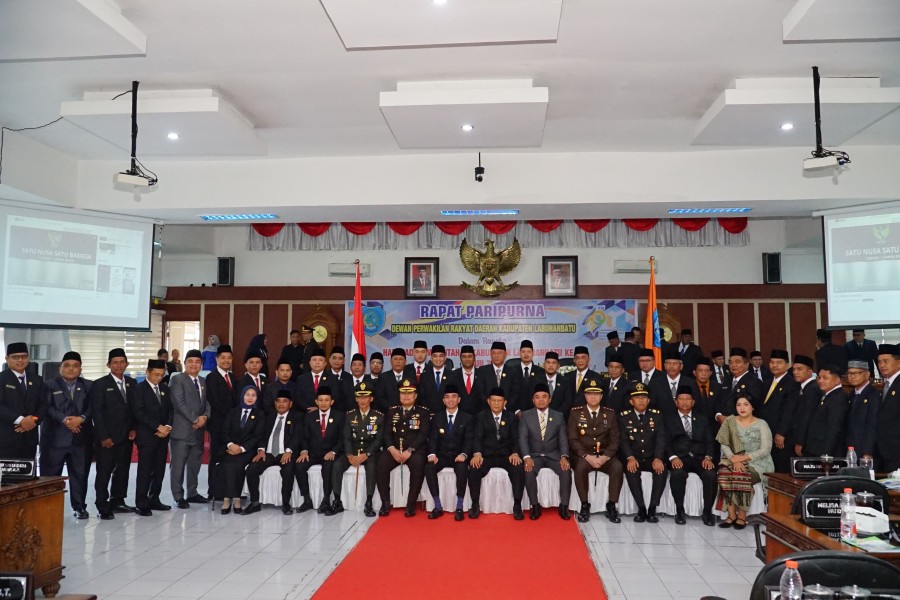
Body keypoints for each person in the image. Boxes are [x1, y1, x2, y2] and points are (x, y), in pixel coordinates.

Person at [40, 351, 92, 519]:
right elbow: (46, 408)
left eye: (75, 366)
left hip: (80, 439)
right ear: (60, 367)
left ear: (80, 368)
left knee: (79, 475)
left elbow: (93, 408)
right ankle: (48, 507)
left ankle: (79, 507)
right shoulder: (48, 385)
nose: (71, 369)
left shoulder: (88, 386)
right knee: (50, 476)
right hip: (54, 439)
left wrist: (81, 419)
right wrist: (65, 420)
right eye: (67, 365)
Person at [568, 380, 624, 523]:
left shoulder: (609, 414)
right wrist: (587, 456)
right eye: (590, 394)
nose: (593, 397)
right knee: (580, 468)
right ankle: (585, 505)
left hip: (604, 455)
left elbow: (615, 440)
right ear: (585, 396)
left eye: (596, 394)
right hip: (584, 455)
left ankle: (612, 505)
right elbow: (573, 439)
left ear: (601, 396)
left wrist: (605, 457)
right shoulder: (575, 413)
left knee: (617, 467)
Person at [91, 348, 137, 519]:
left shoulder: (132, 383)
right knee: (104, 472)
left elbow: (135, 410)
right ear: (108, 364)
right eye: (115, 362)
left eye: (122, 362)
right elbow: (97, 413)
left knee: (123, 470)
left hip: (126, 436)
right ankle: (102, 505)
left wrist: (134, 428)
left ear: (127, 364)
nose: (119, 365)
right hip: (107, 438)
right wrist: (104, 437)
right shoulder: (100, 384)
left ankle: (118, 500)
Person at [716, 395, 773, 530]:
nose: (741, 408)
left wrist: (742, 458)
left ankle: (742, 515)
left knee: (741, 475)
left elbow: (765, 450)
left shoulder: (761, 424)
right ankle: (731, 516)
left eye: (746, 404)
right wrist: (732, 458)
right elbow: (723, 444)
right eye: (738, 405)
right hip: (732, 459)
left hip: (757, 461)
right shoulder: (729, 422)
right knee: (724, 474)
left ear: (753, 407)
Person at [468, 387, 525, 520]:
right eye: (493, 400)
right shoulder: (481, 416)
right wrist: (477, 453)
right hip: (486, 456)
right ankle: (475, 504)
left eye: (499, 401)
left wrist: (515, 453)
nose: (496, 403)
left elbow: (516, 439)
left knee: (517, 467)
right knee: (474, 468)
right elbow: (476, 438)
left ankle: (517, 504)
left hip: (506, 456)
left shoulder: (512, 417)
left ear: (505, 402)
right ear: (488, 401)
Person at [376, 379, 431, 517]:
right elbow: (386, 433)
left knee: (419, 465)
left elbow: (423, 434)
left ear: (415, 396)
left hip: (414, 450)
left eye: (409, 393)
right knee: (381, 463)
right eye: (403, 393)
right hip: (394, 450)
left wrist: (410, 450)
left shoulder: (423, 412)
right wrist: (391, 449)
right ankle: (385, 502)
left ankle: (411, 504)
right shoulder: (392, 411)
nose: (406, 396)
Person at [244, 389, 302, 516]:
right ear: (275, 403)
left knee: (288, 470)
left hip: (285, 453)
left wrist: (289, 451)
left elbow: (297, 436)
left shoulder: (296, 417)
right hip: (268, 453)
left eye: (284, 402)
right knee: (251, 469)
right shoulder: (269, 416)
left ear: (290, 404)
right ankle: (254, 502)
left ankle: (286, 503)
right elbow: (260, 435)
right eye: (278, 402)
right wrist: (261, 450)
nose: (281, 404)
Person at [330, 382, 384, 517]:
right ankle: (337, 501)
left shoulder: (379, 416)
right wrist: (349, 455)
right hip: (352, 451)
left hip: (370, 452)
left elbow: (379, 440)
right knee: (337, 465)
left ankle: (369, 502)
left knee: (372, 466)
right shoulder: (349, 415)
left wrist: (367, 454)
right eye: (360, 397)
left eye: (366, 397)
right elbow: (346, 437)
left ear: (371, 399)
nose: (363, 400)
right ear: (356, 398)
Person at [666, 385, 717, 526]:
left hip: (700, 458)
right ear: (676, 402)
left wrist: (708, 457)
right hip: (679, 457)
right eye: (681, 399)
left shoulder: (702, 418)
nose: (684, 402)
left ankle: (707, 511)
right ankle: (680, 509)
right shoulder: (668, 419)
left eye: (688, 399)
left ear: (693, 402)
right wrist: (672, 457)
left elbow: (709, 441)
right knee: (677, 475)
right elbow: (665, 442)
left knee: (710, 475)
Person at [520, 382, 571, 520]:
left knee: (566, 470)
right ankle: (535, 506)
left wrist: (564, 456)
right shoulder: (525, 416)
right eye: (537, 397)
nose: (541, 400)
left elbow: (563, 439)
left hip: (553, 455)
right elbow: (523, 439)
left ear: (549, 399)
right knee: (528, 470)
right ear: (533, 400)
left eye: (544, 397)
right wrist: (526, 457)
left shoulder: (558, 416)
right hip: (534, 456)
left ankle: (564, 506)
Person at [618, 385, 667, 523]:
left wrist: (658, 457)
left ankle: (652, 508)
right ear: (631, 401)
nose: (641, 401)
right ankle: (641, 507)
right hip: (634, 456)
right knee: (631, 471)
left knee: (661, 471)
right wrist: (630, 457)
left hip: (652, 456)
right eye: (637, 397)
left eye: (644, 397)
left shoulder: (656, 415)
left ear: (648, 400)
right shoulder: (624, 417)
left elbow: (661, 438)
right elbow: (623, 440)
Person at [131, 359, 173, 516]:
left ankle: (154, 498)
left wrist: (167, 427)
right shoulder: (139, 389)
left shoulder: (164, 388)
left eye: (161, 375)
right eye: (155, 374)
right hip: (147, 436)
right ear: (147, 372)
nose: (159, 378)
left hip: (163, 436)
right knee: (145, 470)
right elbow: (139, 412)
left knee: (159, 470)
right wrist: (158, 426)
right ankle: (141, 503)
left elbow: (171, 410)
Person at [425, 383, 473, 520]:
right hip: (442, 456)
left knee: (462, 468)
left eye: (454, 397)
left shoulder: (467, 418)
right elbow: (432, 439)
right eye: (447, 397)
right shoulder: (437, 418)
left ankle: (459, 506)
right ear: (443, 400)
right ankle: (438, 506)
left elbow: (469, 440)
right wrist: (432, 454)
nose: (450, 400)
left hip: (459, 456)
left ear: (459, 399)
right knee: (429, 467)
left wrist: (464, 454)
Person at [169, 349, 210, 508]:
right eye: (190, 361)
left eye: (197, 362)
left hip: (198, 431)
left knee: (195, 464)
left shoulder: (202, 381)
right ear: (185, 363)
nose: (194, 364)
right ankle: (178, 496)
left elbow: (206, 402)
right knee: (178, 465)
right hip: (182, 430)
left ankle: (192, 493)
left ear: (201, 364)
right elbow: (179, 403)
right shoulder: (177, 379)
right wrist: (195, 418)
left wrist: (205, 417)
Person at [295, 386, 345, 513]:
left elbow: (341, 438)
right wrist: (304, 451)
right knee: (299, 466)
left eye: (327, 400)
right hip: (313, 453)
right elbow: (305, 437)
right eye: (321, 400)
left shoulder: (339, 416)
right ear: (316, 402)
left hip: (330, 452)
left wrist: (334, 451)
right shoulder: (309, 417)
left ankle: (326, 499)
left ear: (331, 402)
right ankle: (307, 500)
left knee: (328, 467)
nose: (323, 403)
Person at [219, 386, 265, 514]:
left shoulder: (259, 414)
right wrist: (230, 445)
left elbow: (258, 436)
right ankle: (227, 499)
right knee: (227, 464)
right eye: (247, 394)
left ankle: (237, 498)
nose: (250, 397)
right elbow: (225, 431)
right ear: (242, 396)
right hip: (230, 448)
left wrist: (242, 448)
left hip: (247, 450)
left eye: (253, 395)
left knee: (238, 466)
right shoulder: (233, 411)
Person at [0, 342, 44, 461]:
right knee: (6, 478)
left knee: (29, 477)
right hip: (6, 439)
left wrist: (31, 421)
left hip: (29, 438)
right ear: (7, 359)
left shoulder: (37, 380)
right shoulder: (2, 379)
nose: (20, 360)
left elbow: (43, 405)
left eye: (24, 356)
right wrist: (21, 420)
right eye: (15, 357)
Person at [759, 350, 800, 473]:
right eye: (772, 362)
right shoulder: (766, 383)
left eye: (779, 362)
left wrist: (781, 432)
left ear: (788, 365)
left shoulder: (792, 383)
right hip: (766, 433)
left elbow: (790, 410)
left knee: (781, 467)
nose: (774, 365)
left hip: (782, 436)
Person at [205, 344, 236, 500]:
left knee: (228, 457)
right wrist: (231, 416)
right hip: (218, 424)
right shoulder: (212, 377)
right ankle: (214, 491)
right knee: (216, 457)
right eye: (222, 358)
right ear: (217, 359)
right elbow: (215, 402)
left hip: (231, 425)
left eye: (229, 358)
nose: (226, 360)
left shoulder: (232, 376)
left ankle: (228, 490)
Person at [797, 365, 848, 457]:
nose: (820, 381)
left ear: (837, 380)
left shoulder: (838, 398)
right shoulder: (827, 395)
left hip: (825, 453)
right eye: (819, 377)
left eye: (825, 378)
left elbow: (834, 429)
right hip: (815, 449)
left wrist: (826, 455)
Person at [714, 347, 764, 422]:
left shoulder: (755, 382)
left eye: (737, 362)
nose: (733, 365)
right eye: (730, 362)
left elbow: (753, 407)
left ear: (746, 364)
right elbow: (718, 401)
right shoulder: (727, 381)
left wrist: (730, 420)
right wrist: (718, 415)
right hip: (723, 425)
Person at [845, 360, 880, 465]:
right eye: (850, 373)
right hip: (850, 449)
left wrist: (868, 451)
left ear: (867, 374)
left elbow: (872, 425)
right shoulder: (851, 394)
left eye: (857, 373)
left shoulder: (874, 395)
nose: (852, 376)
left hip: (864, 450)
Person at [476, 341, 522, 413]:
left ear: (505, 354)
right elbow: (480, 392)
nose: (496, 356)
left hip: (507, 411)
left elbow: (515, 393)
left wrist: (504, 406)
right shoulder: (483, 370)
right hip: (487, 411)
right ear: (490, 354)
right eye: (494, 353)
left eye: (499, 353)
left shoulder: (513, 371)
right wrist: (492, 406)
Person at [791, 355, 822, 460]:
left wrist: (800, 441)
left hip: (808, 441)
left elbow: (807, 416)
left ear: (809, 371)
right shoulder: (803, 387)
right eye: (794, 369)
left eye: (799, 369)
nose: (795, 372)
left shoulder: (812, 389)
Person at [875, 344, 900, 472]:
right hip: (883, 450)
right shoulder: (886, 384)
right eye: (879, 362)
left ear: (899, 363)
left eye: (886, 361)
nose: (882, 365)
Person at [559, 345, 602, 417]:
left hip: (588, 417)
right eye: (577, 358)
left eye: (583, 358)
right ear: (574, 360)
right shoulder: (567, 377)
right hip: (568, 418)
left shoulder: (596, 377)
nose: (580, 361)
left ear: (588, 359)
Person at [660, 349, 695, 418]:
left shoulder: (691, 383)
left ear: (681, 366)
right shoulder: (656, 384)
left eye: (675, 363)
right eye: (668, 363)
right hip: (662, 422)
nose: (671, 366)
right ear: (664, 366)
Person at [448, 345, 482, 415]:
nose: (467, 359)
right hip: (459, 418)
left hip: (479, 417)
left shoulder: (482, 374)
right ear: (460, 358)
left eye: (470, 356)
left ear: (474, 358)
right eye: (464, 356)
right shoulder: (452, 375)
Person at [375, 347, 410, 413]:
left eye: (401, 359)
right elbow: (379, 398)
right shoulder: (383, 377)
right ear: (391, 361)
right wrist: (392, 409)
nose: (398, 361)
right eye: (395, 359)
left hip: (407, 414)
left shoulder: (410, 377)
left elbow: (414, 397)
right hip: (388, 414)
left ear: (405, 362)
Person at [418, 344, 450, 414]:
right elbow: (421, 397)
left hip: (446, 415)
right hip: (428, 415)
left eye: (441, 356)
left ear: (445, 358)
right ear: (431, 359)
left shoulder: (452, 375)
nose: (438, 359)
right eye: (435, 356)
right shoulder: (424, 376)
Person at [296, 347, 330, 412]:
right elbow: (298, 398)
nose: (317, 362)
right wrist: (308, 408)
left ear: (325, 363)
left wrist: (319, 408)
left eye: (320, 360)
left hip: (326, 414)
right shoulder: (301, 379)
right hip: (305, 414)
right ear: (310, 362)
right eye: (314, 360)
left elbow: (335, 397)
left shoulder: (332, 379)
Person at [516, 340, 544, 409]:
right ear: (519, 353)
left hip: (535, 412)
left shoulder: (541, 372)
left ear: (533, 353)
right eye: (523, 352)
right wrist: (516, 411)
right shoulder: (512, 371)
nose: (526, 354)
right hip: (515, 413)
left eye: (528, 352)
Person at [326, 345, 351, 411]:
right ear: (329, 360)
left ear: (344, 361)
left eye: (340, 359)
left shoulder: (349, 377)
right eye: (334, 358)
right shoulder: (324, 376)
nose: (337, 361)